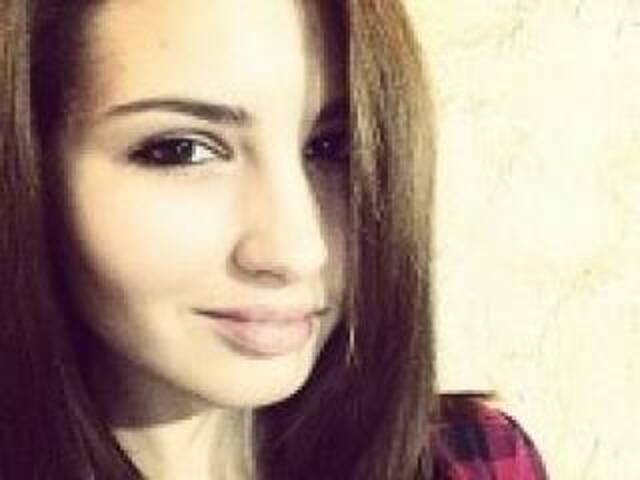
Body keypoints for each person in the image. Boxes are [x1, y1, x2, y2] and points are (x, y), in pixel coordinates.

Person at [0, 0, 547, 478]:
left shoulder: (471, 461)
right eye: (182, 150)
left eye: (333, 148)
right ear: (30, 167)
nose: (298, 252)